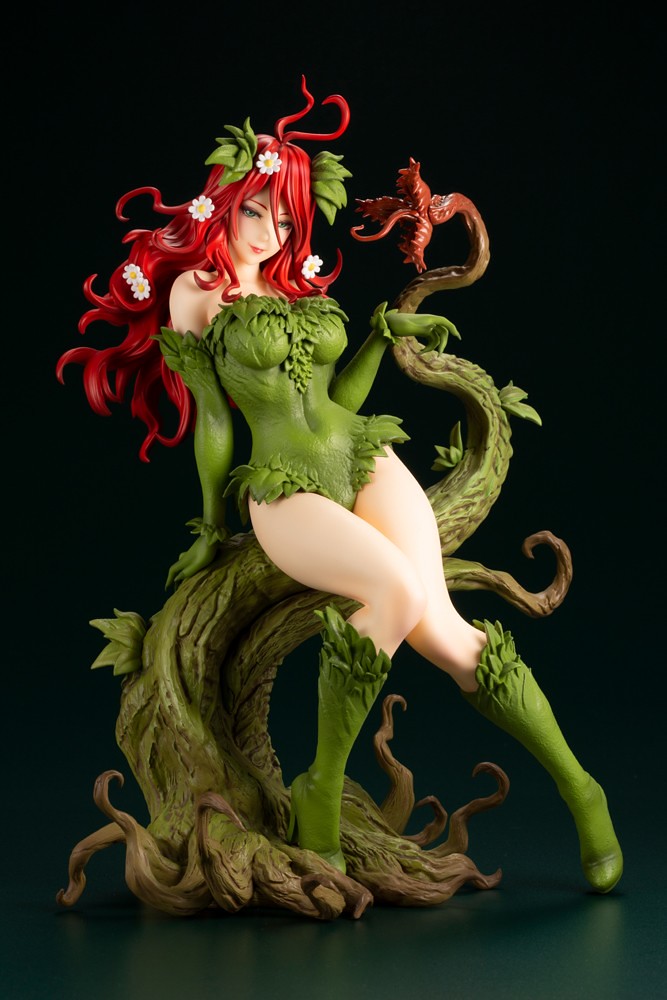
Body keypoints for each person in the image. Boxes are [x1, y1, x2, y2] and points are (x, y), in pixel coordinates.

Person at [57, 78, 622, 892]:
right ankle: (322, 783)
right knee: (393, 590)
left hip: (359, 454)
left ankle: (580, 787)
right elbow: (213, 420)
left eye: (286, 220)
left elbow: (340, 400)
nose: (271, 231)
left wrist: (380, 338)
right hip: (282, 486)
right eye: (258, 211)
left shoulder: (293, 287)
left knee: (446, 633)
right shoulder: (195, 295)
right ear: (225, 203)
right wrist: (210, 526)